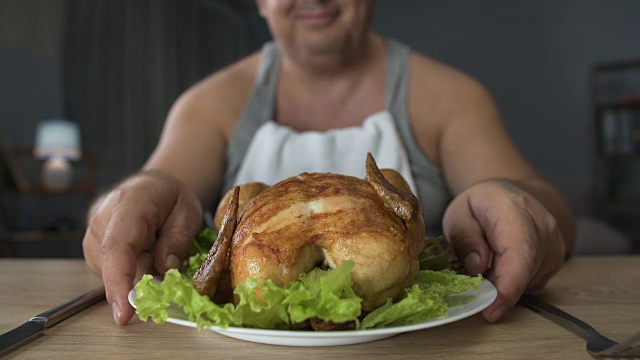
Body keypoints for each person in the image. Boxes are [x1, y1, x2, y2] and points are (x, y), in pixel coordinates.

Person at [82, 0, 575, 326]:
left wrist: (522, 202)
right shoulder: (211, 103)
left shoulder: (448, 97)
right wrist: (122, 201)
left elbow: (547, 204)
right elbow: (158, 183)